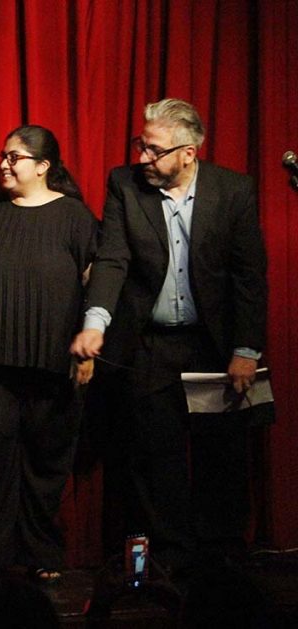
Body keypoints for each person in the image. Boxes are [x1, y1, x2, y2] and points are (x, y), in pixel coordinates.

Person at [70, 98, 268, 572]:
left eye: (154, 150)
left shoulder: (233, 190)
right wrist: (95, 323)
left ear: (188, 153)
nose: (143, 157)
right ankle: (170, 556)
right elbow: (113, 258)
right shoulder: (125, 184)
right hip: (150, 343)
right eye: (141, 145)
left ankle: (220, 556)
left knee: (220, 452)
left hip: (212, 344)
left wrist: (245, 350)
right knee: (153, 454)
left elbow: (249, 277)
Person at [0, 125, 97, 585]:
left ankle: (44, 552)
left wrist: (88, 346)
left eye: (15, 157)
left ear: (43, 166)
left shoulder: (75, 216)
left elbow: (95, 285)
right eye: (2, 156)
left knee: (48, 461)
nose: (4, 165)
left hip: (54, 361)